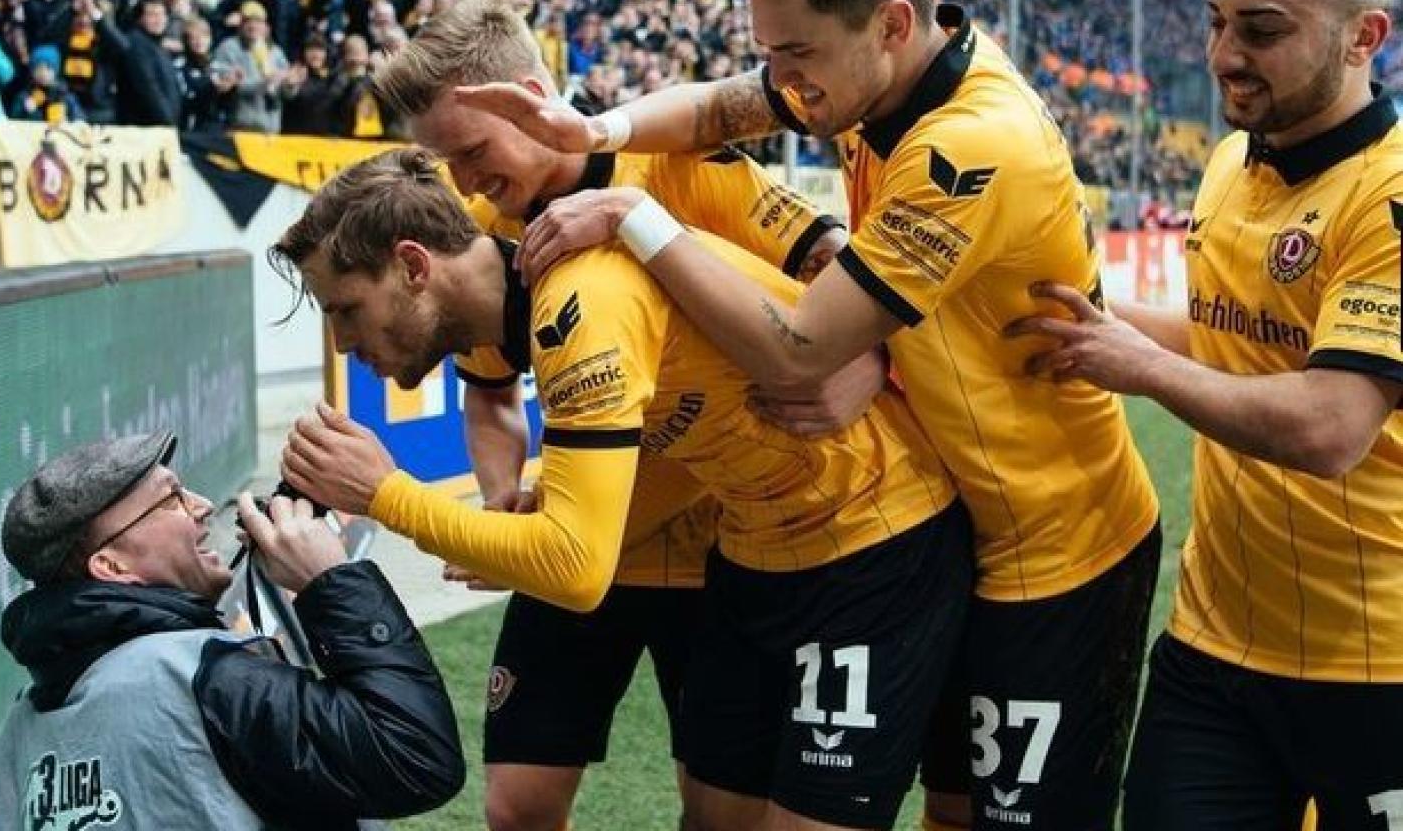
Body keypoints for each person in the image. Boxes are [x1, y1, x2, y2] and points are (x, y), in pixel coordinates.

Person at [457, 0, 1161, 831]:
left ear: (893, 23)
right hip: (959, 522)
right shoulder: (893, 73)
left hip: (1058, 541)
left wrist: (634, 214)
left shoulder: (969, 147)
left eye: (798, 54)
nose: (782, 80)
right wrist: (602, 133)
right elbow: (716, 110)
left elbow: (797, 350)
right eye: (769, 51)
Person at [273, 148, 971, 831]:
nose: (340, 342)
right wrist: (520, 521)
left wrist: (387, 494)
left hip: (875, 534)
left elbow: (576, 566)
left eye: (346, 309)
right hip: (754, 555)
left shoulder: (580, 301)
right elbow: (652, 466)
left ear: (414, 267)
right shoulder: (523, 305)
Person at [369, 0, 881, 831]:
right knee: (516, 807)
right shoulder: (483, 227)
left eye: (471, 150)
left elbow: (835, 265)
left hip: (725, 550)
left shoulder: (680, 166)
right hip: (580, 548)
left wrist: (871, 357)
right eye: (445, 162)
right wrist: (501, 494)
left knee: (718, 814)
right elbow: (489, 388)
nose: (465, 180)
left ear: (532, 95)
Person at [1006, 0, 1403, 829]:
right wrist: (1090, 320)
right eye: (1216, 22)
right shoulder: (1231, 159)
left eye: (1262, 31)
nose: (1225, 55)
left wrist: (1134, 367)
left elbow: (1330, 425)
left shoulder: (1387, 198)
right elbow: (1232, 346)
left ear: (1364, 37)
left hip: (1380, 665)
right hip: (1213, 654)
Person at [0, 430, 465, 829]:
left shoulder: (9, 756)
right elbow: (414, 757)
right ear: (111, 566)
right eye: (171, 501)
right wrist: (329, 583)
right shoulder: (201, 679)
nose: (202, 505)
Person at [210, 0, 288, 133]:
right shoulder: (229, 48)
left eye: (258, 22)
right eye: (248, 22)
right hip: (240, 127)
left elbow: (286, 93)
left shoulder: (276, 52)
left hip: (271, 129)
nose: (253, 26)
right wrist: (265, 82)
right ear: (240, 25)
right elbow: (232, 87)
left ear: (266, 27)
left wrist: (291, 84)